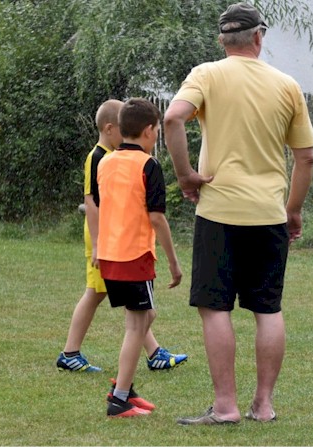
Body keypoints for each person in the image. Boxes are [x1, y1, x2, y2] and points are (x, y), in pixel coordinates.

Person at [165, 3, 313, 425]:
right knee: (267, 309)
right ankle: (263, 405)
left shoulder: (206, 74)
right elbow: (305, 159)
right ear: (258, 37)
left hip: (218, 211)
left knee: (216, 308)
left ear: (221, 41)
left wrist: (186, 176)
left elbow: (173, 117)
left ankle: (226, 407)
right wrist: (294, 211)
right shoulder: (287, 85)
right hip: (268, 213)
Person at [56, 99, 187, 373]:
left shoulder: (113, 159)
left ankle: (153, 352)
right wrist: (98, 243)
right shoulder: (99, 158)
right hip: (107, 238)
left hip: (114, 238)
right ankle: (70, 352)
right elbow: (91, 202)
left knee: (135, 308)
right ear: (110, 128)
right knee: (98, 295)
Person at [97, 98, 183, 417]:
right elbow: (157, 218)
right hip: (134, 256)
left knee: (144, 318)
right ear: (149, 130)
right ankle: (119, 400)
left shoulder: (106, 162)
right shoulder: (148, 165)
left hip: (109, 254)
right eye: (157, 129)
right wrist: (174, 262)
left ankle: (126, 388)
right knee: (137, 325)